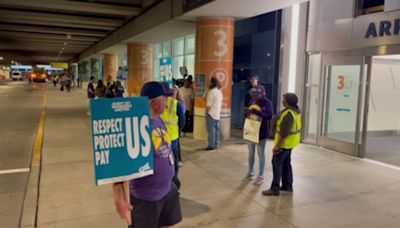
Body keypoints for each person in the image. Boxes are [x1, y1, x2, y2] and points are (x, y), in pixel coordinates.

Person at [113, 81, 182, 228]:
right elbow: (118, 164)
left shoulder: (159, 119)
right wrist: (118, 197)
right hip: (146, 198)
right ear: (156, 103)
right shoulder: (136, 126)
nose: (168, 103)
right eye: (166, 99)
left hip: (168, 189)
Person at [262, 93, 302, 196]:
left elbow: (284, 134)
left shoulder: (288, 114)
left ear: (287, 102)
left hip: (284, 144)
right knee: (286, 164)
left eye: (284, 99)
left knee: (276, 164)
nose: (282, 101)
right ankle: (287, 186)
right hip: (290, 144)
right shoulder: (295, 112)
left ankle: (275, 189)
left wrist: (277, 146)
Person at [243, 93, 273, 185]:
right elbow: (247, 114)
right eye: (253, 94)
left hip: (261, 131)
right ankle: (250, 172)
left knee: (260, 153)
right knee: (251, 152)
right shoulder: (252, 101)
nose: (254, 96)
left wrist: (258, 113)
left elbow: (269, 115)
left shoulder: (267, 102)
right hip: (251, 129)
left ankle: (261, 176)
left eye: (256, 94)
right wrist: (246, 112)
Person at [160, 83, 185, 190]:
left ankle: (165, 184)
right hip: (173, 139)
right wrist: (178, 130)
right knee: (173, 163)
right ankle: (174, 185)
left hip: (158, 138)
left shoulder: (154, 103)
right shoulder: (176, 104)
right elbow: (182, 121)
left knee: (161, 163)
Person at [205, 77, 223, 150]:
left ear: (212, 83)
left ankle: (211, 145)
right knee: (216, 131)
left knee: (211, 131)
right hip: (217, 114)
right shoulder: (219, 92)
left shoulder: (211, 92)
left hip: (211, 114)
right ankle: (216, 144)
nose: (208, 83)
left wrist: (206, 113)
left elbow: (209, 105)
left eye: (210, 82)